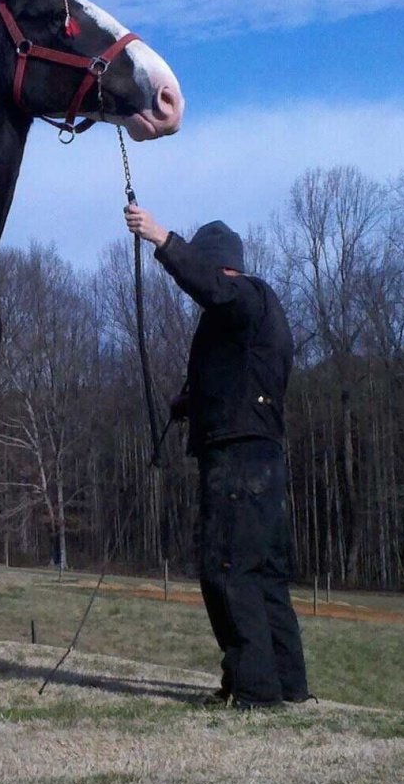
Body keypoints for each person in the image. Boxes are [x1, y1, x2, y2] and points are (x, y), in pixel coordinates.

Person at [126, 204, 311, 710]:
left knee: (226, 570)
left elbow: (211, 288)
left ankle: (254, 690)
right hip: (261, 459)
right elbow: (233, 377)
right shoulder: (248, 319)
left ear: (221, 266)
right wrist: (186, 404)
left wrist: (162, 240)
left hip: (238, 461)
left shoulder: (245, 297)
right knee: (263, 574)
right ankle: (287, 685)